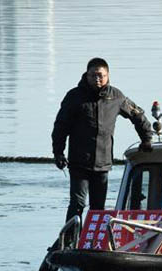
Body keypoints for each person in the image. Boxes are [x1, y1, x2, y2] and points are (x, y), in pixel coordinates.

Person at [52, 57, 153, 223]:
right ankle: (69, 239)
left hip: (103, 163)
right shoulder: (74, 97)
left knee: (98, 207)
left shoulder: (116, 97)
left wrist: (146, 138)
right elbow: (60, 127)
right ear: (87, 75)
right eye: (93, 75)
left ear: (108, 75)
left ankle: (92, 239)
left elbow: (137, 115)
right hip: (79, 162)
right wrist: (58, 153)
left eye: (101, 75)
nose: (97, 79)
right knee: (77, 203)